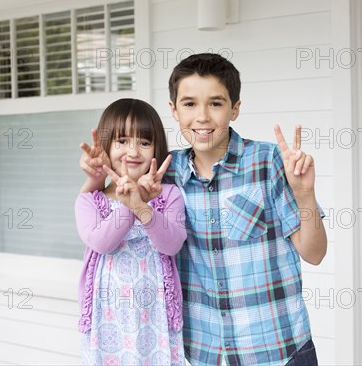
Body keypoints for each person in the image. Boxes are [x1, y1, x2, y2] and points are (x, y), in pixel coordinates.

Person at [80, 54, 328, 366]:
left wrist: (305, 194)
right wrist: (94, 177)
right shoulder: (164, 175)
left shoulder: (269, 162)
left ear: (234, 108)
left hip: (278, 351)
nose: (202, 117)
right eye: (189, 104)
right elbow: (108, 205)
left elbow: (314, 253)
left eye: (215, 103)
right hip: (201, 355)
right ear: (173, 110)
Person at [75, 98, 187, 366]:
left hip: (156, 317)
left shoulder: (169, 195)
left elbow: (172, 245)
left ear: (156, 148)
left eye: (145, 143)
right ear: (105, 147)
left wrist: (142, 205)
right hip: (108, 318)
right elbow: (102, 242)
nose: (133, 151)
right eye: (122, 141)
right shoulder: (90, 199)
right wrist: (130, 205)